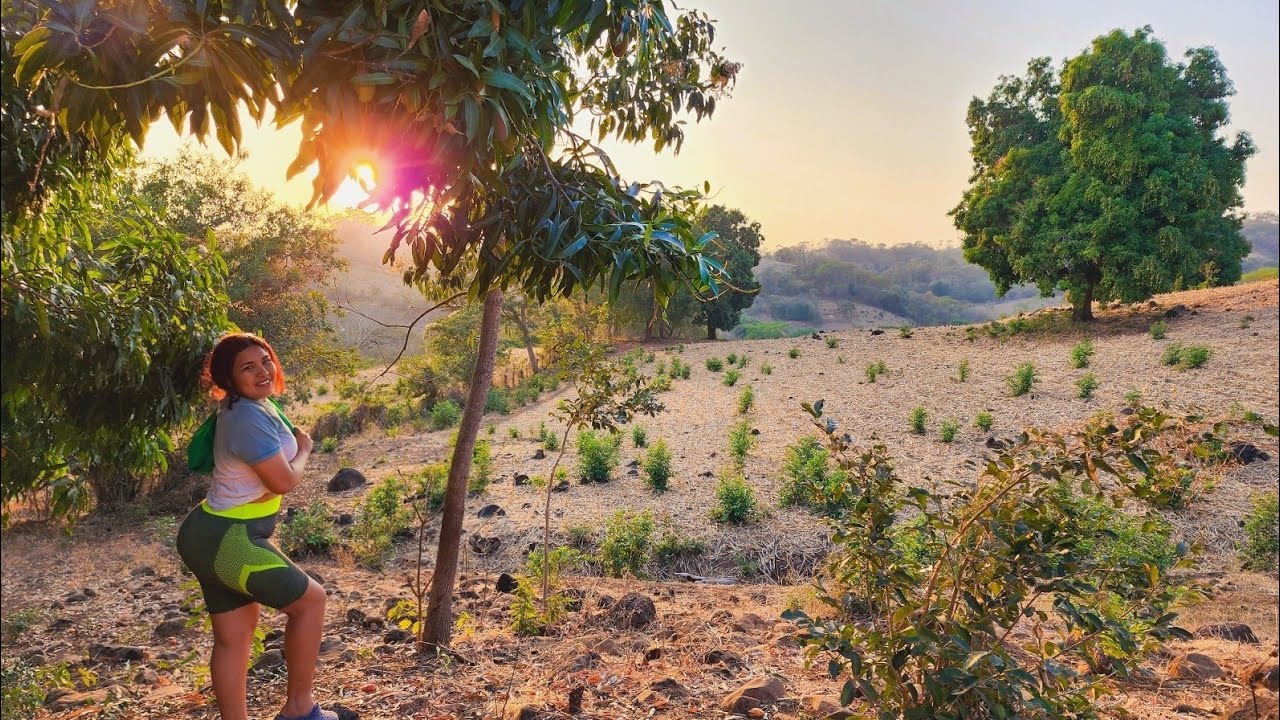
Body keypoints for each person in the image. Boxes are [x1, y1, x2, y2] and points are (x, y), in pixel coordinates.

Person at [176, 333, 337, 720]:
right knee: (310, 603)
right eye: (248, 367)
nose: (263, 370)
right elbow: (282, 481)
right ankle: (300, 710)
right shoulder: (246, 417)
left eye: (266, 360)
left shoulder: (251, 406)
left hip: (209, 534)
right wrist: (305, 451)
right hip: (228, 539)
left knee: (234, 639)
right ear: (227, 380)